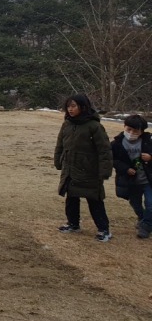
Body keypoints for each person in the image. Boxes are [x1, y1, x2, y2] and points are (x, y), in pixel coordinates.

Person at [54, 94, 113, 242]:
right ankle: (73, 224)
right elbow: (60, 144)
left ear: (83, 106)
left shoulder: (94, 126)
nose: (70, 109)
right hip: (70, 168)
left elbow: (104, 150)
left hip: (89, 170)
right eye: (68, 106)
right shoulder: (67, 124)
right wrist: (58, 160)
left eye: (73, 106)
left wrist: (105, 171)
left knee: (94, 200)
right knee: (71, 198)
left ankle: (104, 229)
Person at [110, 114, 152, 238]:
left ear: (141, 131)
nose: (131, 133)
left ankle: (146, 226)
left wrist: (150, 157)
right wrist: (125, 169)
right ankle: (142, 218)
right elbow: (113, 160)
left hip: (148, 180)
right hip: (131, 181)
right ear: (124, 127)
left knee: (150, 204)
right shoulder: (116, 144)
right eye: (129, 129)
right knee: (135, 203)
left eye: (135, 131)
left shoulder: (148, 142)